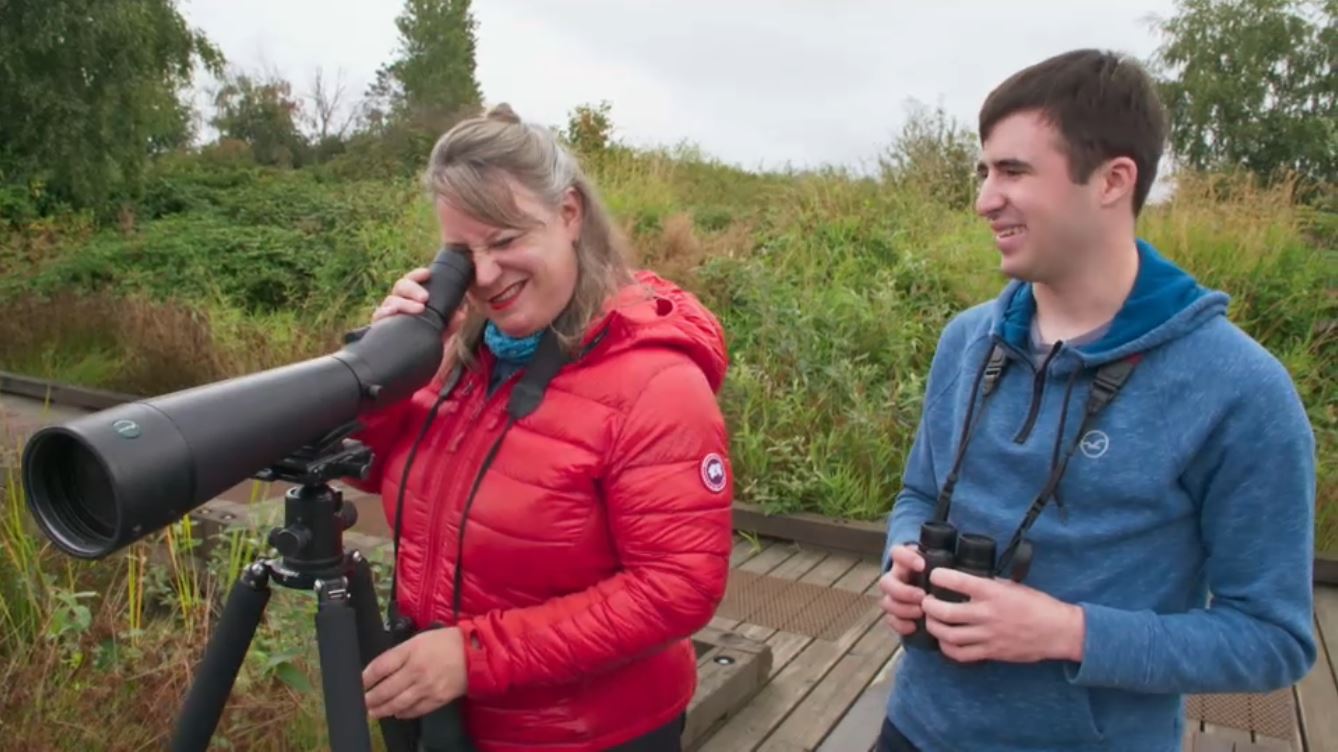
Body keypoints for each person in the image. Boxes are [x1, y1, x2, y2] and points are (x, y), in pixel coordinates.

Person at [877, 49, 1317, 752]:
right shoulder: (967, 341)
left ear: (1114, 180)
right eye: (984, 171)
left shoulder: (1241, 391)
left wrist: (1069, 632)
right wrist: (901, 557)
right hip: (917, 728)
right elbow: (918, 493)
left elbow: (1271, 639)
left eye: (1015, 171)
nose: (985, 198)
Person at [346, 103, 735, 752]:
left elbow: (678, 589)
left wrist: (473, 657)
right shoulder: (467, 356)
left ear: (570, 214)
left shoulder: (658, 385)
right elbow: (358, 462)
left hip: (588, 734)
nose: (487, 276)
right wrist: (386, 366)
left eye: (504, 240)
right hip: (448, 722)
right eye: (463, 254)